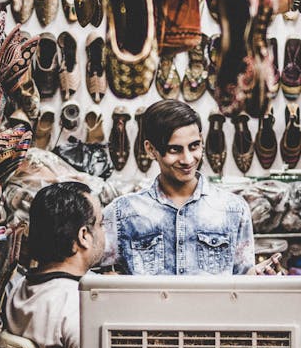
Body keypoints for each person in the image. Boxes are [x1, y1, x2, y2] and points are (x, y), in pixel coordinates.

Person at [101, 99, 277, 275]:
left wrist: (260, 275)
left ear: (201, 141)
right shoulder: (122, 213)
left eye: (194, 146)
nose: (188, 159)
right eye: (174, 150)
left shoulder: (234, 209)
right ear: (151, 149)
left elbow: (242, 279)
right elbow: (89, 276)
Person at [5, 180, 104, 348]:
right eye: (101, 224)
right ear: (84, 236)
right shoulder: (75, 308)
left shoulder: (20, 290)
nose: (104, 233)